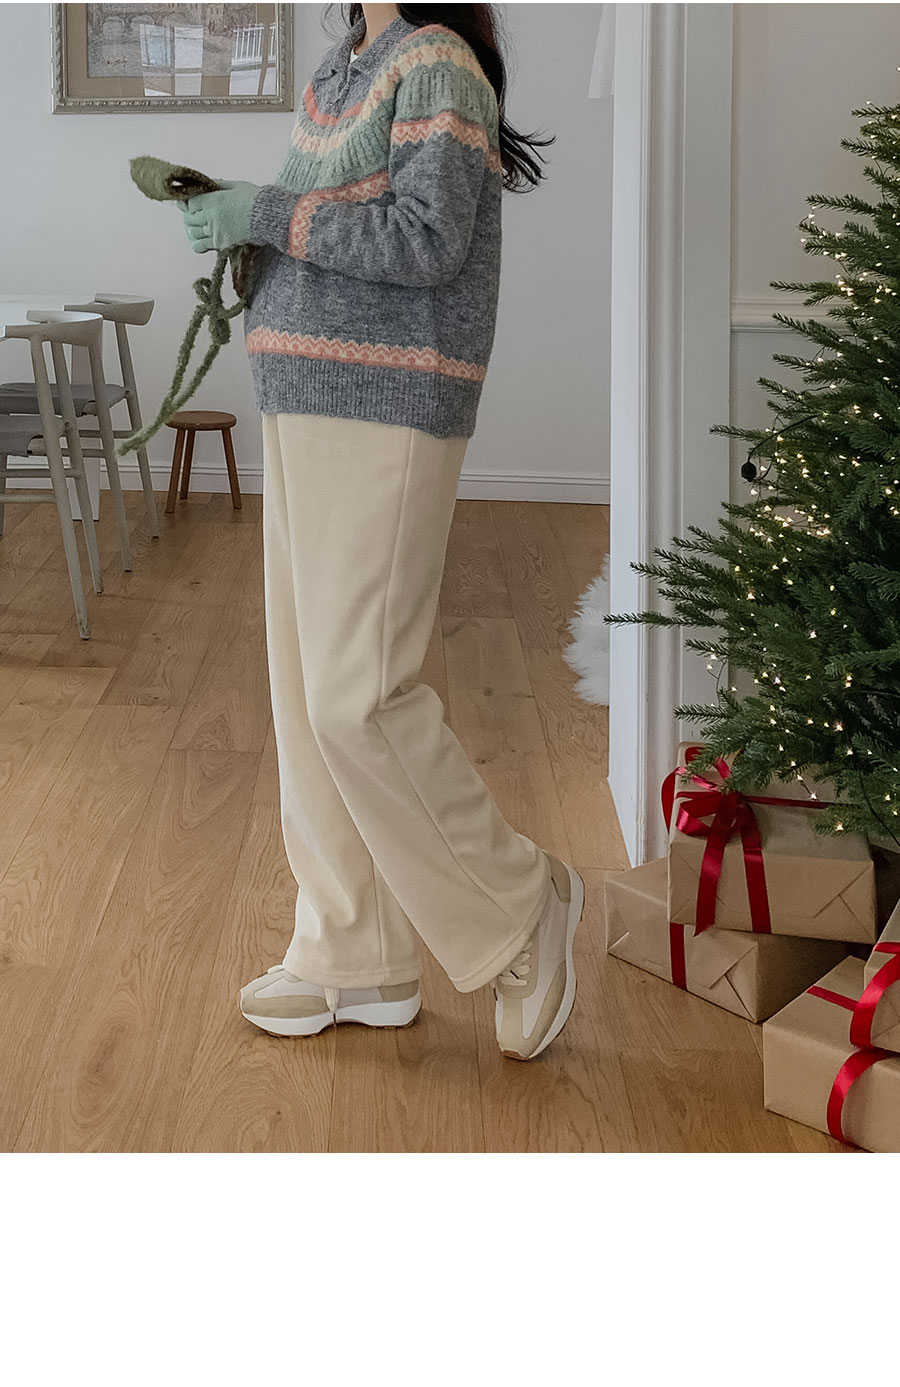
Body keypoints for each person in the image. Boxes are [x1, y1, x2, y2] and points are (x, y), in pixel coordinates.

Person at [181, 3, 584, 1061]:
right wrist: (248, 232)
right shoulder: (342, 70)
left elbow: (426, 241)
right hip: (303, 396)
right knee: (306, 692)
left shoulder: (436, 65)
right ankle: (349, 949)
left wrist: (265, 213)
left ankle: (523, 905)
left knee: (357, 696)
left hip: (388, 405)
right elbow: (330, 231)